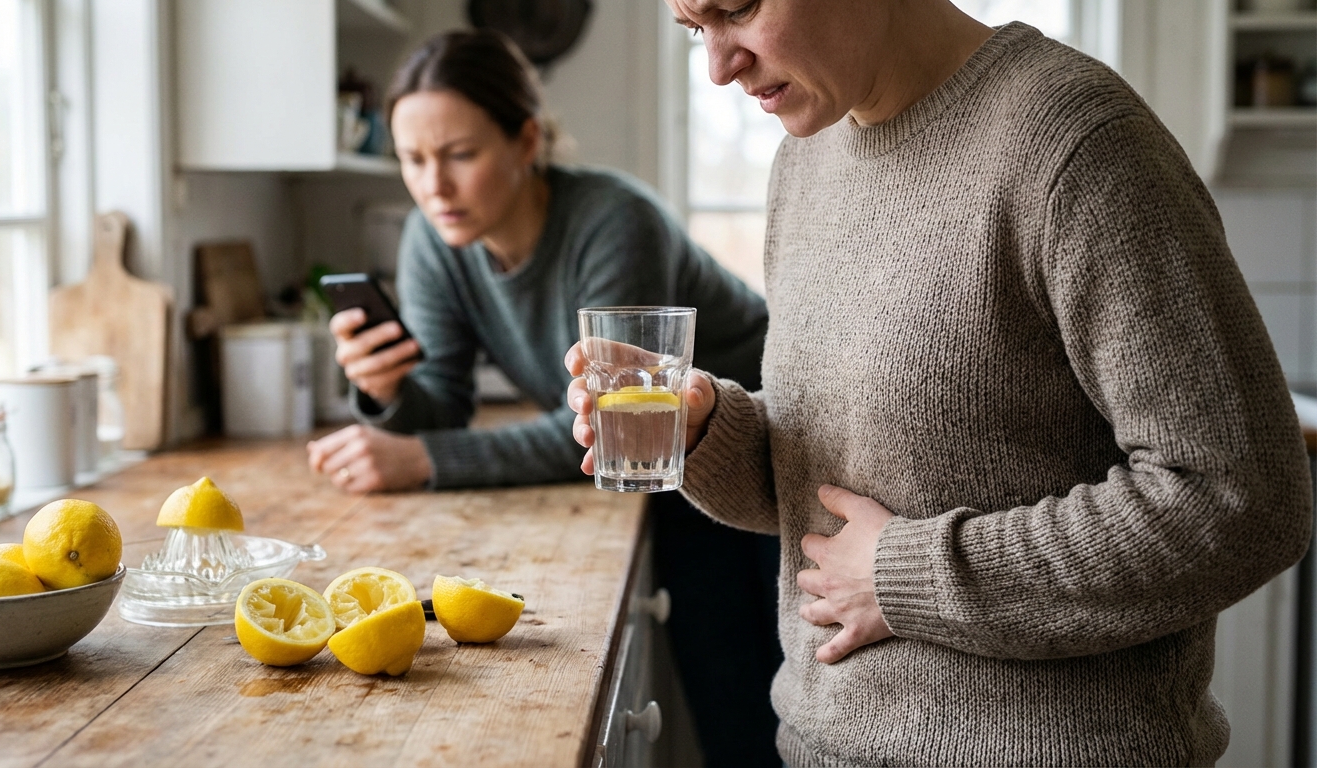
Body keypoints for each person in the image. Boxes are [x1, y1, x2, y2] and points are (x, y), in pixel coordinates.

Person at [564, 1, 1313, 765]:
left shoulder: (1079, 144)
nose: (720, 67)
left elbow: (1243, 497)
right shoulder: (806, 159)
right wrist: (707, 433)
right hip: (821, 746)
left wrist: (909, 576)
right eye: (696, 29)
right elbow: (845, 487)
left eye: (737, 8)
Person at [305, 30, 783, 767]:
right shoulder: (435, 241)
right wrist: (387, 391)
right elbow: (444, 407)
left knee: (753, 704)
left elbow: (619, 424)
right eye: (413, 159)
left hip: (762, 446)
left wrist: (421, 459)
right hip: (663, 474)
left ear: (526, 141)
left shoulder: (613, 221)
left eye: (460, 155)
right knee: (729, 698)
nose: (434, 187)